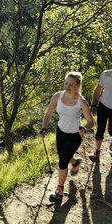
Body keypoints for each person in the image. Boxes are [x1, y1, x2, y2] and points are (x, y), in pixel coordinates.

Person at [40, 72, 94, 203]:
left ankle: (59, 189)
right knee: (64, 155)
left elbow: (91, 121)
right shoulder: (57, 96)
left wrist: (85, 128)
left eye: (71, 84)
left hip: (75, 134)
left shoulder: (81, 102)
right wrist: (44, 128)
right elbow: (48, 114)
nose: (67, 86)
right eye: (66, 83)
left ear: (77, 86)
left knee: (62, 162)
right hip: (61, 132)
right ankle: (75, 162)